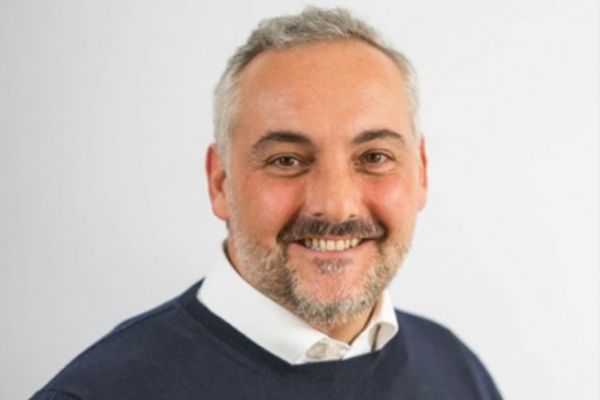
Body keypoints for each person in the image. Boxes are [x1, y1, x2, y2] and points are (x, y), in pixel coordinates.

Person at [32, 7, 502, 399]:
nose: (336, 206)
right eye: (287, 160)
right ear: (220, 183)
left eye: (374, 157)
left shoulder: (456, 371)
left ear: (420, 172)